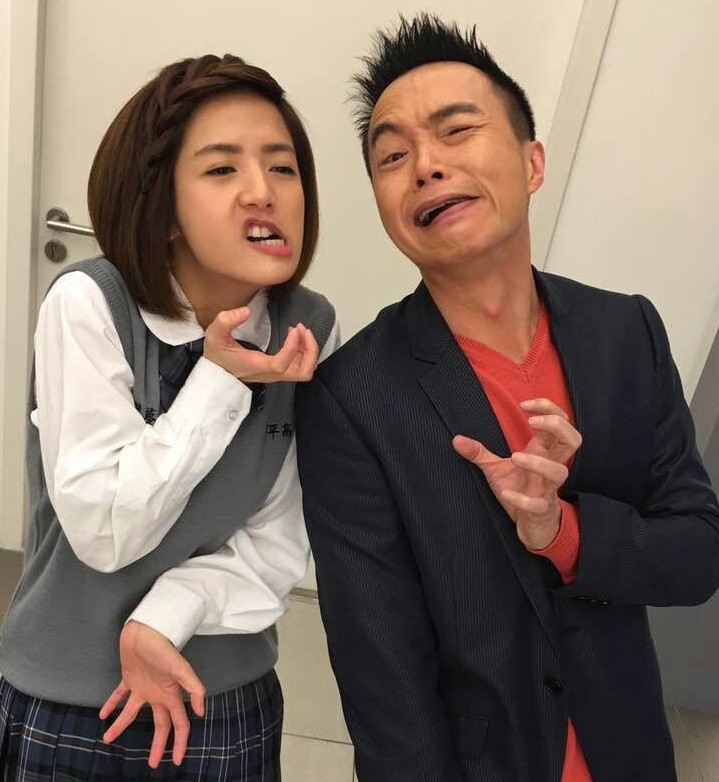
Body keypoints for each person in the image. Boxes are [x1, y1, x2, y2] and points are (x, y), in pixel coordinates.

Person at [294, 14, 719, 782]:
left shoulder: (626, 332)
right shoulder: (351, 398)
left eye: (456, 130)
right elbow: (380, 670)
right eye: (392, 156)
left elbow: (696, 554)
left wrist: (562, 532)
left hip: (628, 751)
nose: (426, 166)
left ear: (531, 162)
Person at [0, 53, 338, 781]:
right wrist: (219, 380)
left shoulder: (308, 326)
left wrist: (166, 616)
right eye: (222, 169)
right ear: (161, 204)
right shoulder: (90, 303)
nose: (264, 192)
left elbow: (282, 539)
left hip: (222, 691)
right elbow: (105, 531)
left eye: (283, 168)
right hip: (72, 695)